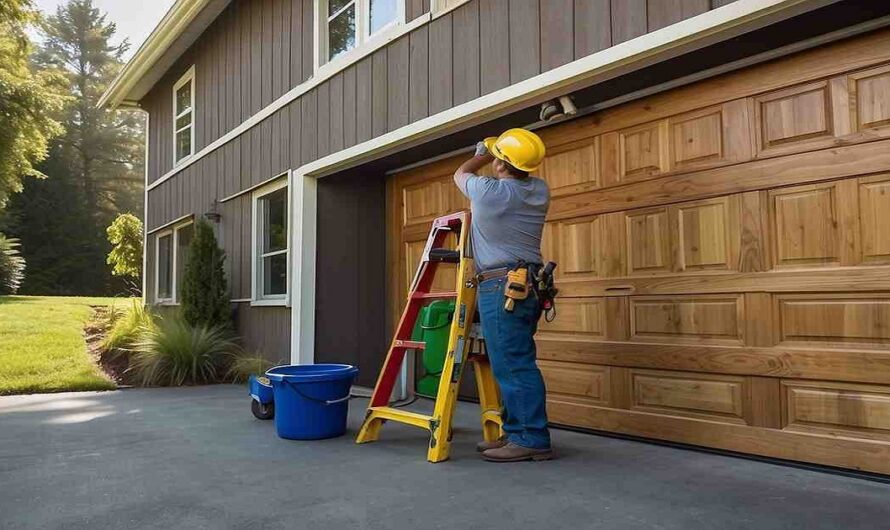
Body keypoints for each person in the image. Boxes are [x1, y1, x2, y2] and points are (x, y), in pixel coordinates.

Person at [453, 128, 552, 463]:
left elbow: (461, 173)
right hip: (529, 285)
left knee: (513, 363)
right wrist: (492, 155)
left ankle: (531, 438)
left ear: (499, 163)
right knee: (512, 360)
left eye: (496, 157)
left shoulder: (489, 192)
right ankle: (517, 431)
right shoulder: (539, 189)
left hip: (502, 286)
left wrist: (480, 152)